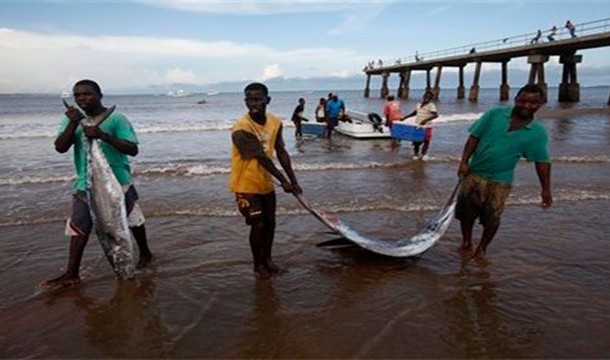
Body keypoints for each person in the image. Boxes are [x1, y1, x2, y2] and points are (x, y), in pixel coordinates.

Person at [43, 79, 153, 287]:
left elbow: (132, 149)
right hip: (85, 182)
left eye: (87, 94)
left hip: (118, 180)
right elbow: (60, 147)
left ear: (100, 95)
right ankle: (72, 273)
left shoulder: (117, 119)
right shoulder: (71, 119)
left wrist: (102, 135)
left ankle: (146, 254)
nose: (82, 98)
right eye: (78, 95)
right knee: (78, 227)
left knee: (133, 219)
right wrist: (75, 123)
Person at [455, 84, 552, 262]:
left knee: (492, 217)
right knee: (465, 212)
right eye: (522, 100)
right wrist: (464, 161)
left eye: (533, 102)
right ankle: (466, 242)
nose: (526, 105)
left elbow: (542, 162)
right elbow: (473, 137)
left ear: (541, 104)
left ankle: (482, 248)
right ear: (516, 99)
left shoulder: (538, 133)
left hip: (500, 180)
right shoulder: (495, 114)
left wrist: (545, 190)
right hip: (474, 173)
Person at [229, 82, 302, 280]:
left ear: (267, 100)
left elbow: (281, 151)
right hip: (246, 184)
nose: (253, 104)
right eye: (249, 100)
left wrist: (294, 181)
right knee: (258, 224)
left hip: (266, 183)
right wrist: (283, 181)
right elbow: (261, 157)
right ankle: (258, 265)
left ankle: (268, 261)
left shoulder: (275, 122)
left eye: (257, 99)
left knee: (271, 224)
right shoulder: (241, 128)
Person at [402, 90, 438, 160]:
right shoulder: (418, 105)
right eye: (426, 97)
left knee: (426, 141)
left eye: (429, 98)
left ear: (430, 99)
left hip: (427, 126)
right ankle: (416, 154)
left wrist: (425, 120)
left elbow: (435, 115)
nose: (426, 98)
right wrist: (405, 117)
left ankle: (423, 155)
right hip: (417, 125)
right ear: (423, 97)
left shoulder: (431, 105)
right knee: (416, 141)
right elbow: (414, 113)